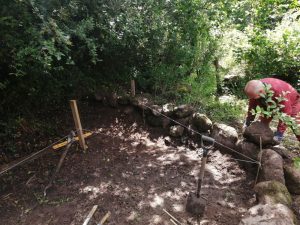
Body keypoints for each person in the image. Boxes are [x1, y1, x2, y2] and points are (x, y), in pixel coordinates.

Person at [244, 78, 300, 142]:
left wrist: (279, 133)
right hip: (269, 104)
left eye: (254, 97)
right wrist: (248, 122)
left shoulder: (279, 92)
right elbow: (252, 106)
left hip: (293, 103)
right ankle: (261, 144)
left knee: (296, 127)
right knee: (262, 125)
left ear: (261, 92)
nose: (253, 99)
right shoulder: (255, 90)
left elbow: (286, 112)